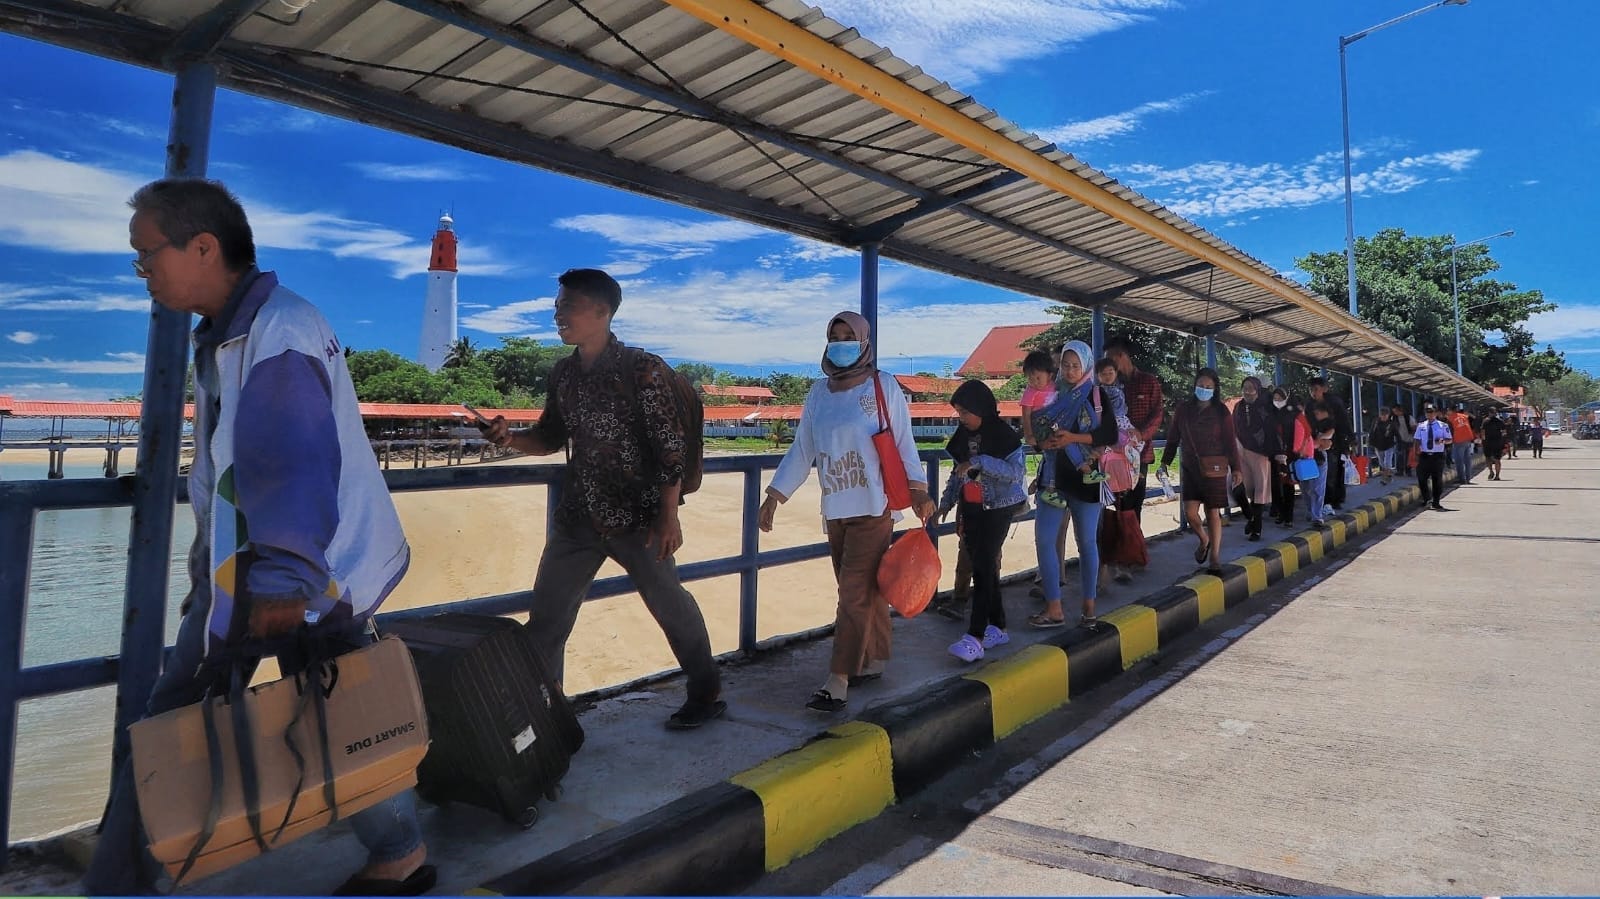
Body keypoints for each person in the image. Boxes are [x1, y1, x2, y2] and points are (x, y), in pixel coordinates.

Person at [85, 179, 428, 897]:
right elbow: (243, 466)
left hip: (286, 581)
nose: (141, 270)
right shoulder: (242, 332)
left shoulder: (275, 332)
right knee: (338, 707)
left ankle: (115, 884)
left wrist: (277, 582)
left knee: (167, 722)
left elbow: (294, 461)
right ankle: (399, 853)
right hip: (294, 577)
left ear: (203, 247)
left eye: (146, 254)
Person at [482, 268, 723, 730]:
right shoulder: (564, 374)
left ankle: (706, 689)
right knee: (547, 619)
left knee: (668, 603)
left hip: (639, 517)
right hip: (577, 518)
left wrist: (668, 517)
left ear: (602, 312)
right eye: (557, 306)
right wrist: (508, 439)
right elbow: (550, 436)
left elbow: (670, 448)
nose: (557, 314)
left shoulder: (642, 369)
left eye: (566, 306)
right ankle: (548, 716)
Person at [760, 312, 934, 710]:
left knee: (852, 592)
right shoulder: (819, 393)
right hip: (835, 507)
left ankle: (838, 678)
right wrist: (774, 495)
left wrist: (919, 490)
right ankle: (875, 657)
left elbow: (904, 443)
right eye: (833, 336)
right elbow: (803, 448)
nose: (840, 343)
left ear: (864, 342)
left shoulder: (882, 386)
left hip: (873, 507)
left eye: (848, 336)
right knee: (866, 590)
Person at [1025, 341, 1118, 629]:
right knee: (1044, 541)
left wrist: (1072, 439)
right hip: (1052, 478)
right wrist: (1043, 442)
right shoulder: (1049, 393)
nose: (1070, 370)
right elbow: (1033, 431)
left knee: (1087, 543)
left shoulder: (1096, 393)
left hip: (1085, 478)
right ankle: (1054, 608)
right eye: (1065, 364)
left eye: (1076, 365)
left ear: (1087, 365)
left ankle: (1089, 606)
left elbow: (1109, 433)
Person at [934, 380, 1027, 662]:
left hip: (1000, 506)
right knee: (982, 567)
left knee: (985, 565)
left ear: (980, 409)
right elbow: (957, 473)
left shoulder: (1004, 436)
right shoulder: (963, 436)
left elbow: (1015, 472)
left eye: (964, 412)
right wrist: (946, 503)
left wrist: (981, 462)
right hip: (972, 508)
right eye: (959, 413)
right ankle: (998, 627)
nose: (961, 418)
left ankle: (975, 636)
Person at [1160, 368, 1241, 574]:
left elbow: (1230, 442)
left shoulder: (1221, 411)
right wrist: (1164, 463)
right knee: (1190, 513)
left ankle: (1214, 559)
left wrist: (1237, 468)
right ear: (1194, 386)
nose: (1203, 390)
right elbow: (1173, 438)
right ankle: (1204, 539)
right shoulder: (1184, 409)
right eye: (1200, 386)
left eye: (1208, 387)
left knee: (1212, 512)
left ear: (1215, 389)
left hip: (1215, 467)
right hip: (1190, 467)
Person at [1103, 336, 1164, 525]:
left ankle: (1134, 549)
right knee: (1118, 503)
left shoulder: (1148, 381)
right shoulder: (1109, 386)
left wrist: (1141, 434)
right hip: (1114, 456)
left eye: (1110, 359)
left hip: (1140, 455)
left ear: (1121, 356)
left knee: (1134, 504)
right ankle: (1122, 547)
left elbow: (1157, 414)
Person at [1231, 376, 1277, 541]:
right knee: (1240, 487)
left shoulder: (1265, 406)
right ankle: (1249, 516)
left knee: (1260, 491)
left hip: (1260, 454)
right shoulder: (1238, 407)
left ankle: (1256, 528)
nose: (1247, 391)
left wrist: (1275, 451)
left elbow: (1271, 429)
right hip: (1241, 451)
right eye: (1245, 387)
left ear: (1257, 389)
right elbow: (1232, 427)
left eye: (1251, 388)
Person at [1304, 377, 1351, 512]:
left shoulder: (1334, 402)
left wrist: (1349, 440)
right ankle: (1321, 501)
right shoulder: (1309, 405)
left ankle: (1333, 500)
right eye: (1311, 390)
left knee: (1333, 472)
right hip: (1315, 443)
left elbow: (1343, 422)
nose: (1313, 392)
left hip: (1335, 442)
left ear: (1324, 389)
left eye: (1316, 389)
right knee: (1318, 474)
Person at [1267, 386, 1308, 526]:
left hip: (1290, 455)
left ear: (1286, 398)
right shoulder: (1271, 413)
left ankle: (1288, 517)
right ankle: (1280, 513)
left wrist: (1298, 450)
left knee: (1288, 486)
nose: (1277, 401)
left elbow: (1305, 432)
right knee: (1275, 487)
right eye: (1275, 398)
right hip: (1273, 455)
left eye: (1280, 398)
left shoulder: (1295, 414)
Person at [1415, 403, 1453, 510]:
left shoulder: (1443, 426)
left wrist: (1442, 440)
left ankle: (1436, 501)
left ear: (1436, 413)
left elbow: (1450, 440)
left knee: (1437, 480)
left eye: (1431, 412)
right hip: (1424, 455)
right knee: (1421, 478)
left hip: (1437, 456)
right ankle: (1427, 499)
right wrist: (1416, 453)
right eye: (1427, 412)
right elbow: (1417, 440)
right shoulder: (1421, 426)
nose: (1429, 414)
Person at [1446, 403, 1477, 484]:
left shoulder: (1450, 418)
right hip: (1468, 439)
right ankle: (1468, 478)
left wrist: (1449, 441)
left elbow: (1450, 430)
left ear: (1450, 410)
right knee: (1467, 460)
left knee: (1459, 461)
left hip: (1458, 440)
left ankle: (1462, 479)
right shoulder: (1463, 416)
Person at [1369, 406, 1400, 485]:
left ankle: (1385, 479)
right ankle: (1388, 475)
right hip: (1378, 445)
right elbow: (1372, 432)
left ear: (1388, 415)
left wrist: (1399, 442)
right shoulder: (1375, 422)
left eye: (1385, 415)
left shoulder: (1392, 423)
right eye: (1382, 415)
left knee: (1387, 462)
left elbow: (1397, 434)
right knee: (1382, 463)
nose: (1383, 416)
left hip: (1389, 445)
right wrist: (1371, 443)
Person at [1481, 413, 1508, 480]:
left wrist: (1483, 441)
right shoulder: (1500, 421)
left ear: (1489, 413)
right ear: (1495, 414)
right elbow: (1504, 433)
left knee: (1488, 458)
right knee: (1497, 459)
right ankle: (1497, 475)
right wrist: (1504, 442)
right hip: (1497, 443)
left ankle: (1491, 471)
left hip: (1488, 443)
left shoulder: (1485, 421)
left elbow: (1482, 432)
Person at [1392, 403, 1417, 476]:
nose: (1395, 413)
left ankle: (1408, 470)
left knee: (1409, 456)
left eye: (1396, 411)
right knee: (1400, 455)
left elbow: (1414, 427)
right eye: (1394, 411)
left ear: (1400, 410)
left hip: (1410, 439)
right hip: (1400, 439)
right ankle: (1400, 470)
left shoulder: (1409, 417)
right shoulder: (1394, 418)